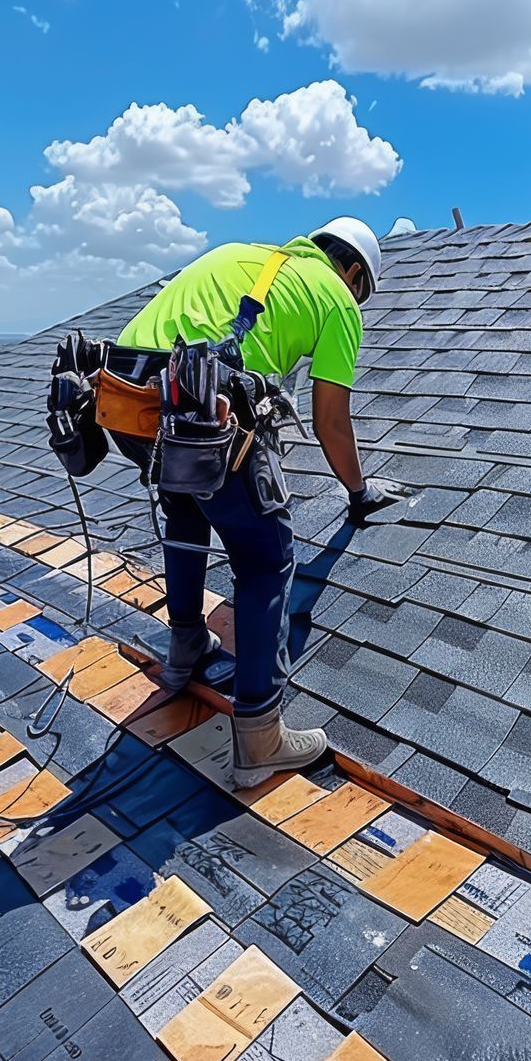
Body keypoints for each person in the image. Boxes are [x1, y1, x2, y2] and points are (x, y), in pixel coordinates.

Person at [118, 216, 411, 786]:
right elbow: (330, 419)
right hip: (206, 412)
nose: (359, 300)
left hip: (126, 402)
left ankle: (185, 647)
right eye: (363, 290)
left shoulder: (239, 255)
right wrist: (358, 491)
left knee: (187, 506)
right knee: (267, 559)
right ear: (351, 271)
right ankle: (260, 739)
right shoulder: (337, 301)